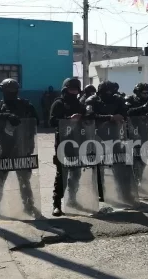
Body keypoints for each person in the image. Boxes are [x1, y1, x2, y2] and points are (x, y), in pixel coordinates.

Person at [0, 78, 39, 219]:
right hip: (3, 148)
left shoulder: (26, 104)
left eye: (13, 91)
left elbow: (36, 120)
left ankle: (29, 206)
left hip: (22, 147)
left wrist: (22, 121)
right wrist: (7, 116)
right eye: (8, 91)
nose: (11, 94)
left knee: (24, 181)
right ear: (2, 91)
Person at [93, 81, 133, 202]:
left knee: (118, 163)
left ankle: (123, 191)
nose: (109, 94)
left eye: (111, 91)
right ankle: (101, 192)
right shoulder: (93, 100)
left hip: (115, 135)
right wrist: (109, 117)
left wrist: (120, 117)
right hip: (98, 135)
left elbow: (125, 113)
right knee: (99, 165)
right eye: (107, 91)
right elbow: (90, 115)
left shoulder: (118, 100)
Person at [50, 78, 85, 216]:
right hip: (63, 142)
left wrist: (84, 116)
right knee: (61, 174)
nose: (74, 92)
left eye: (76, 90)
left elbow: (88, 118)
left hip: (78, 142)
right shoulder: (58, 103)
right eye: (71, 89)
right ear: (65, 89)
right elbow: (52, 121)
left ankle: (72, 200)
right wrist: (68, 118)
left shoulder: (79, 104)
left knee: (76, 173)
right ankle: (56, 204)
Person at [126, 83, 148, 187]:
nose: (146, 94)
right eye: (143, 93)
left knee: (144, 156)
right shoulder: (131, 99)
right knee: (134, 156)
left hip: (146, 131)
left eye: (147, 92)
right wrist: (143, 108)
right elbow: (128, 112)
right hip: (132, 131)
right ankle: (133, 178)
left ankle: (139, 177)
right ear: (138, 92)